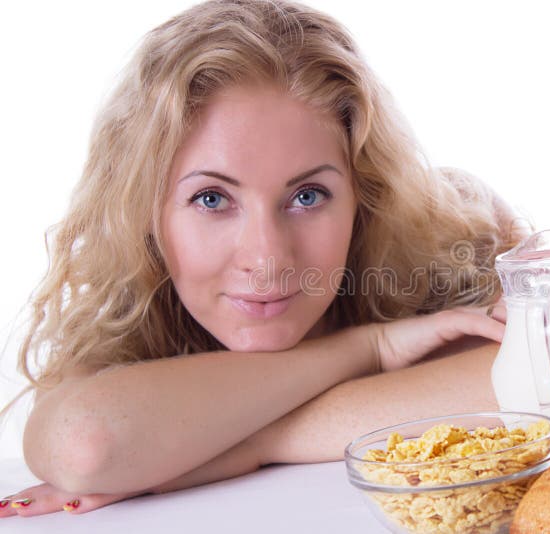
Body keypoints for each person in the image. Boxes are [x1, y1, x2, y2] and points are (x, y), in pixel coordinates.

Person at [0, 0, 520, 517]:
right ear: (145, 213)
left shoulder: (450, 236)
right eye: (211, 199)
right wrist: (370, 350)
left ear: (364, 195)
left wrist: (241, 442)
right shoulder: (130, 320)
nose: (267, 258)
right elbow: (84, 445)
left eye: (308, 195)